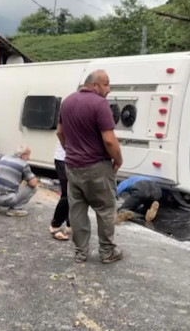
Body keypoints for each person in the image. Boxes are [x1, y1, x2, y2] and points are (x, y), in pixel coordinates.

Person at [57, 69, 123, 264]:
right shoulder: (100, 104)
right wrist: (118, 159)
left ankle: (81, 252)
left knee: (77, 210)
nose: (108, 89)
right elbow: (109, 140)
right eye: (106, 84)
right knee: (105, 208)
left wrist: (69, 151)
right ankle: (107, 251)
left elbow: (60, 133)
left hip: (72, 166)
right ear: (94, 85)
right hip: (97, 166)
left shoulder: (67, 101)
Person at [0, 145, 38, 217]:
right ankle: (15, 209)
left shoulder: (3, 157)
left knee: (1, 182)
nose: (29, 158)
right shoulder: (23, 164)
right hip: (7, 199)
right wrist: (25, 178)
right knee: (33, 188)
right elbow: (33, 183)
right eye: (28, 155)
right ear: (23, 155)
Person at [49, 142, 70, 240]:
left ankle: (70, 224)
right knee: (67, 194)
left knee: (76, 193)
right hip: (64, 158)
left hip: (77, 158)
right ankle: (55, 225)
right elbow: (60, 133)